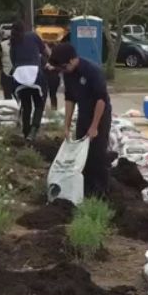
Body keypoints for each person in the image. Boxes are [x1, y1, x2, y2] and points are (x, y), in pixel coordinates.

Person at [49, 43, 112, 198]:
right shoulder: (68, 74)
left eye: (63, 67)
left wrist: (95, 127)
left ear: (71, 60)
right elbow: (70, 99)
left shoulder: (92, 71)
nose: (62, 71)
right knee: (81, 152)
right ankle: (86, 188)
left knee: (97, 153)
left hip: (100, 115)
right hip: (83, 114)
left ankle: (101, 191)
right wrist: (66, 126)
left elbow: (101, 100)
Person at [9, 20, 47, 140]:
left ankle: (26, 133)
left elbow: (13, 62)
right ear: (24, 27)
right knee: (39, 103)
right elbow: (45, 51)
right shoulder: (33, 36)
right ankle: (34, 130)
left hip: (19, 77)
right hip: (35, 74)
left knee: (26, 105)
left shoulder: (13, 43)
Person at [0, 31, 14, 99]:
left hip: (6, 72)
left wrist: (0, 67)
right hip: (19, 72)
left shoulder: (1, 45)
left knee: (7, 94)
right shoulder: (21, 43)